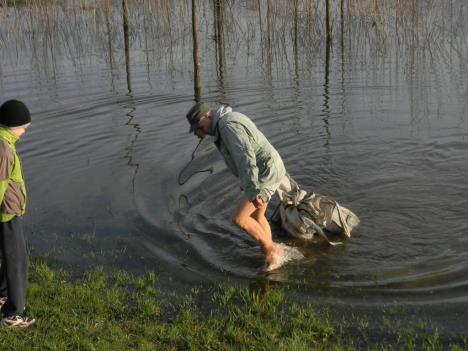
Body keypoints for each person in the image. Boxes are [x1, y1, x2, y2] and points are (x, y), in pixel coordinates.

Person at [186, 101, 287, 272]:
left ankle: (273, 252)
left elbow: (246, 158)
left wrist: (253, 190)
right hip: (269, 168)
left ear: (209, 115)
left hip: (264, 173)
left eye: (199, 126)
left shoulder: (227, 127)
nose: (198, 132)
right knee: (257, 216)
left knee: (239, 219)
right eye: (195, 129)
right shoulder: (224, 124)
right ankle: (271, 256)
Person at [0, 100, 35, 328]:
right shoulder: (4, 148)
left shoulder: (4, 143)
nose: (24, 132)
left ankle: (2, 296)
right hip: (7, 215)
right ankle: (13, 314)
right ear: (12, 126)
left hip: (5, 214)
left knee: (7, 258)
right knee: (17, 261)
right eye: (23, 127)